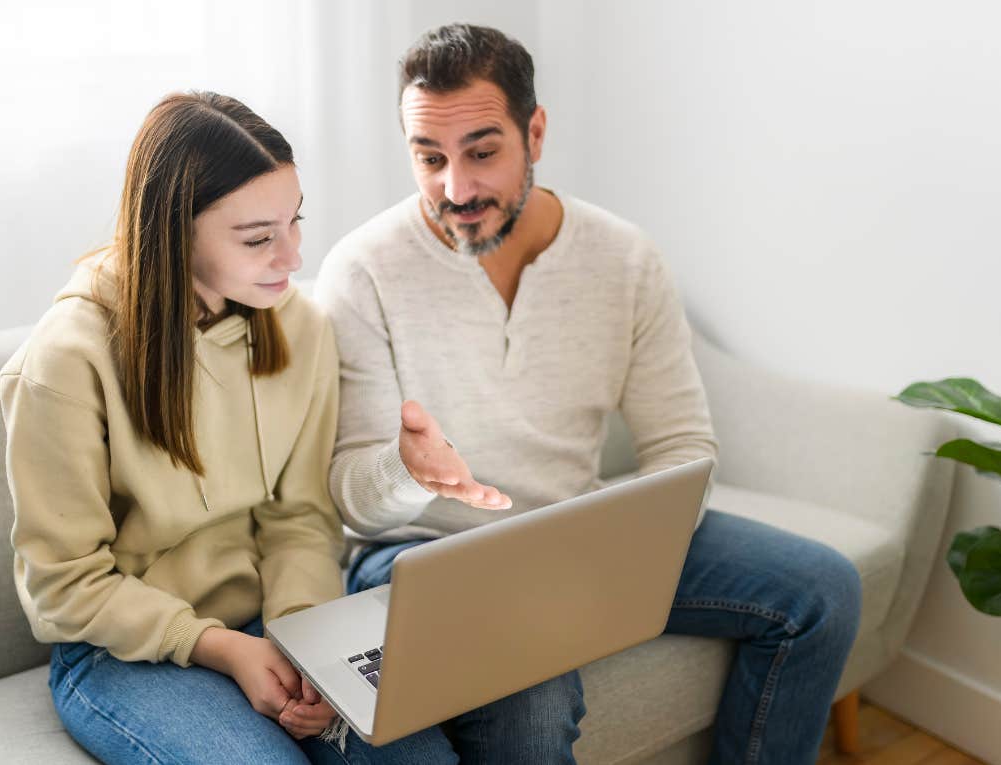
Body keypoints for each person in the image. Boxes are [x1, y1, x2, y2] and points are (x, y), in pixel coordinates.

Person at [315, 25, 864, 765]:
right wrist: (406, 474)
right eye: (429, 157)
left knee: (823, 592)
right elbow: (354, 500)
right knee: (534, 709)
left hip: (569, 535)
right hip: (421, 552)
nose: (456, 189)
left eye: (482, 152)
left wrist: (611, 551)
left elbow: (682, 446)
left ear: (534, 131)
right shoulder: (362, 269)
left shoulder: (624, 259)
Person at [0, 91, 455, 765]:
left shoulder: (299, 326)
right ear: (172, 230)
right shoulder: (66, 361)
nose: (293, 257)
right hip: (123, 649)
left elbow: (300, 518)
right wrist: (225, 648)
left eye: (295, 222)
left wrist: (307, 647)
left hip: (270, 616)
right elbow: (64, 587)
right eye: (259, 238)